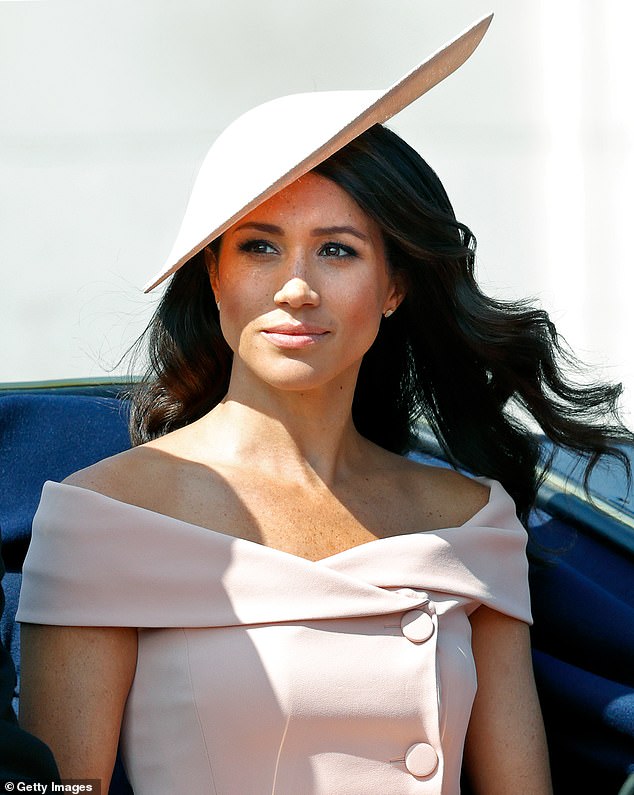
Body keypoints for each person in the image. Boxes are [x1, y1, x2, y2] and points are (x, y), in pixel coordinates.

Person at [15, 16, 632, 795]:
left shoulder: (473, 519)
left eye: (337, 249)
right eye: (259, 246)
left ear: (396, 285)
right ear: (214, 275)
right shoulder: (103, 516)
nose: (295, 285)